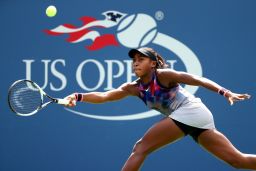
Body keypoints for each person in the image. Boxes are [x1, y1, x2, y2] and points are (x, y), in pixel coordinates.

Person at [64, 47, 256, 171]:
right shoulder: (133, 87)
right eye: (134, 60)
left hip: (193, 110)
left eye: (141, 59)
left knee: (141, 147)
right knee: (237, 161)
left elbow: (197, 79)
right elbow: (104, 96)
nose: (136, 62)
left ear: (153, 64)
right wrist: (77, 96)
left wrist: (225, 92)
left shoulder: (164, 75)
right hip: (195, 119)